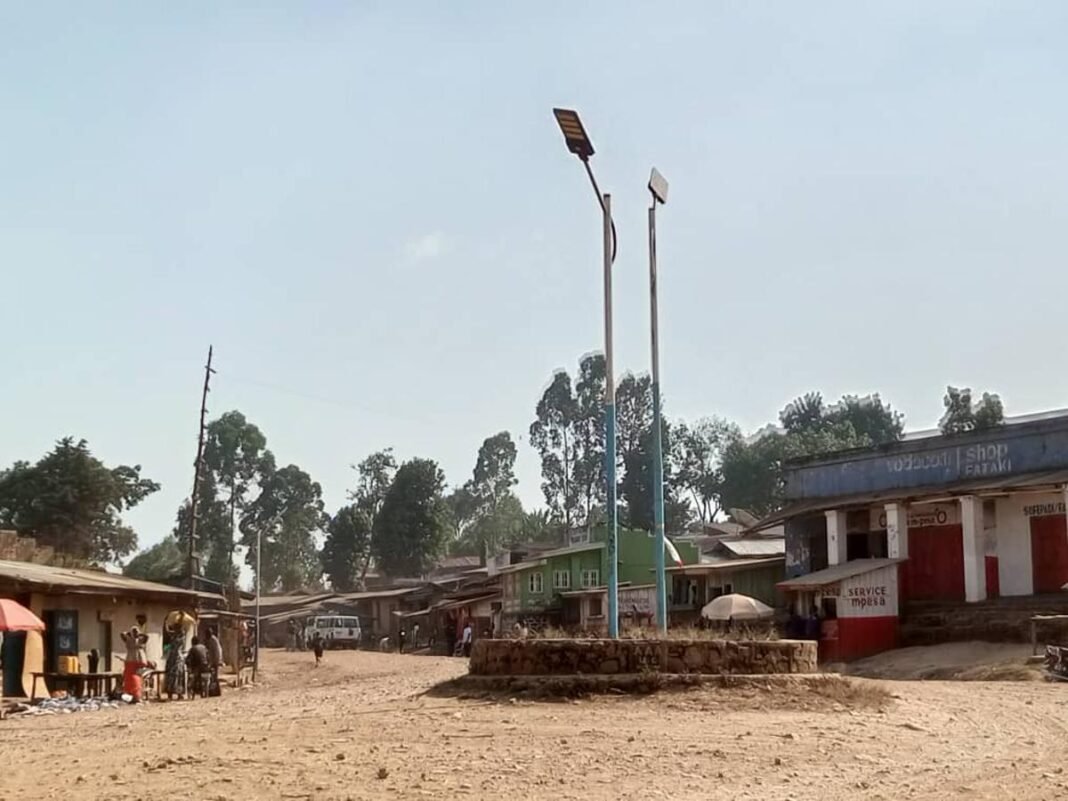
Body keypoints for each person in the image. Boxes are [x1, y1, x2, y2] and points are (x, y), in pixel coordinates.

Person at [163, 626, 186, 700]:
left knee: (178, 675)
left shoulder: (180, 638)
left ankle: (178, 693)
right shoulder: (174, 637)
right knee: (173, 675)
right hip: (174, 658)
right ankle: (172, 693)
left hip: (176, 658)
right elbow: (167, 632)